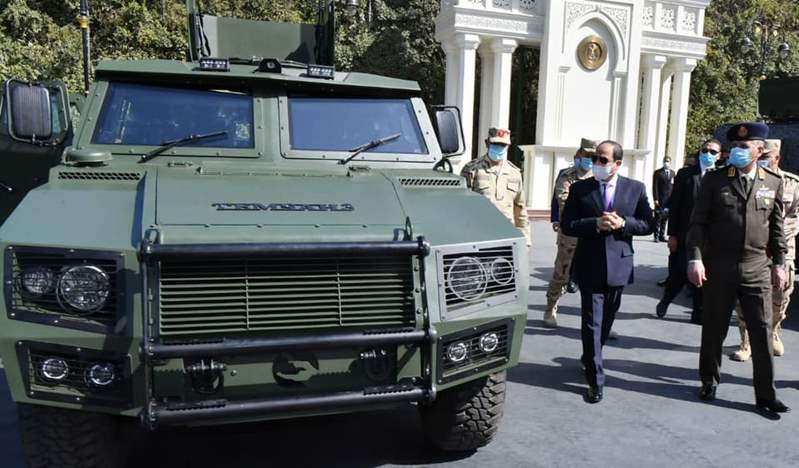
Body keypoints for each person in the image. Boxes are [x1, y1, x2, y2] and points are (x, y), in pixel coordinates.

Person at [687, 122, 790, 414]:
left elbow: (777, 229)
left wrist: (780, 263)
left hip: (757, 267)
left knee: (762, 331)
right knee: (714, 328)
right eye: (734, 147)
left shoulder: (773, 182)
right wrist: (695, 258)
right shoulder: (715, 180)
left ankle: (766, 395)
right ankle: (709, 380)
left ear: (759, 150)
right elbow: (698, 223)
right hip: (720, 265)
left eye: (744, 147)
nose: (737, 151)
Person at [561, 140, 654, 404]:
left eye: (602, 160)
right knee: (592, 323)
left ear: (617, 163)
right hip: (589, 264)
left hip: (619, 265)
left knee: (606, 320)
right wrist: (595, 224)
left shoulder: (635, 188)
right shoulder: (580, 189)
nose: (597, 164)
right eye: (595, 159)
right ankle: (595, 380)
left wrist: (623, 223)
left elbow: (648, 224)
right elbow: (568, 225)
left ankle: (591, 355)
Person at [731, 139, 799, 361]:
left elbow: (794, 218)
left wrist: (773, 238)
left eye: (766, 156)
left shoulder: (792, 183)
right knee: (746, 296)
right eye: (759, 155)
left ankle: (773, 330)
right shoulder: (748, 180)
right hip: (753, 248)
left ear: (777, 157)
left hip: (782, 248)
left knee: (782, 293)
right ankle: (746, 341)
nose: (760, 159)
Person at [655, 139, 722, 324]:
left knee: (704, 276)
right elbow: (676, 205)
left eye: (713, 151)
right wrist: (672, 235)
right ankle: (666, 299)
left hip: (710, 238)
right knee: (680, 273)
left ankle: (698, 313)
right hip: (687, 234)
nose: (708, 154)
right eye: (705, 150)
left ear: (719, 156)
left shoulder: (722, 175)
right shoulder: (686, 174)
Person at [543, 138, 597, 328]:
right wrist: (556, 218)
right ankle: (550, 308)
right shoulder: (567, 175)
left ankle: (599, 319)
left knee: (595, 277)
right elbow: (562, 201)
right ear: (580, 153)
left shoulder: (601, 177)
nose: (589, 158)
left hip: (594, 234)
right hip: (571, 233)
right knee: (562, 272)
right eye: (587, 154)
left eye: (593, 155)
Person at [462, 127, 531, 247]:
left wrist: (526, 240)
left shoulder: (514, 173)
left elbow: (520, 210)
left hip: (507, 235)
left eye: (502, 145)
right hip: (479, 235)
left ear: (508, 146)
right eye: (495, 144)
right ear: (487, 143)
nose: (499, 148)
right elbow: (462, 206)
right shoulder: (472, 169)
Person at [652, 157, 675, 242]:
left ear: (670, 162)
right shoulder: (658, 172)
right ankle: (656, 236)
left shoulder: (672, 173)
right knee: (658, 218)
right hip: (660, 199)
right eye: (665, 161)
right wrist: (656, 198)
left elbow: (673, 186)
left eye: (668, 161)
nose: (666, 163)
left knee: (665, 219)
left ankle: (662, 235)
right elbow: (655, 186)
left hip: (668, 200)